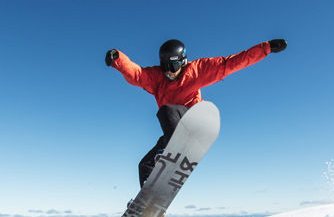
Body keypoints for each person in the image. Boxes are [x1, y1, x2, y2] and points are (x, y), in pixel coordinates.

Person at [105, 38, 287, 187]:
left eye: (173, 67)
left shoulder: (196, 71)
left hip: (194, 120)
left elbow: (232, 63)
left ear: (183, 62)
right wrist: (118, 60)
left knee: (167, 111)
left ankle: (174, 146)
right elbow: (137, 74)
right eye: (164, 67)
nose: (168, 72)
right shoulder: (157, 78)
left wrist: (266, 48)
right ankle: (148, 198)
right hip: (173, 131)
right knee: (144, 165)